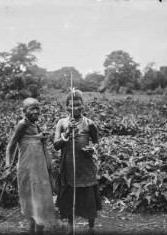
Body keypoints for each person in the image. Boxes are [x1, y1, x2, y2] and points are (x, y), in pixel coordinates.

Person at [5, 97, 57, 235]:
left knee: (40, 198)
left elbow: (34, 139)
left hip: (39, 168)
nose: (36, 111)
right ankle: (34, 230)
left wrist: (41, 136)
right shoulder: (22, 124)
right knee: (31, 198)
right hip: (28, 169)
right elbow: (10, 146)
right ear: (24, 111)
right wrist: (7, 164)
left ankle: (36, 230)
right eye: (32, 108)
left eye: (37, 108)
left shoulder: (35, 125)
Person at [54, 90, 101, 234]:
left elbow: (97, 142)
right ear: (67, 107)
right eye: (72, 105)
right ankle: (71, 225)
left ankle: (91, 226)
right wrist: (67, 132)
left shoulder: (89, 123)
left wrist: (92, 148)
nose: (76, 108)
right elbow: (56, 145)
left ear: (83, 106)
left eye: (78, 105)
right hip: (68, 164)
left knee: (88, 195)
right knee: (68, 195)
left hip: (85, 165)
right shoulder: (62, 123)